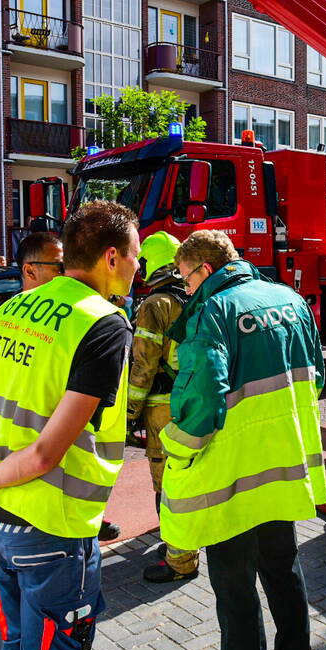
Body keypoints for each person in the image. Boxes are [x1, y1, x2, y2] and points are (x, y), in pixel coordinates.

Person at [0, 200, 139, 650]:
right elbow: (46, 454)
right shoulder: (104, 325)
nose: (138, 265)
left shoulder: (11, 311)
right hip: (54, 528)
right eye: (135, 253)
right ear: (111, 258)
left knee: (16, 645)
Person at [161, 230, 325, 650]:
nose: (187, 289)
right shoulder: (290, 299)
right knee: (284, 572)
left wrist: (176, 452)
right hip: (282, 469)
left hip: (231, 477)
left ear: (206, 269)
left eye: (187, 280)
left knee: (235, 588)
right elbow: (318, 379)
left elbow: (201, 403)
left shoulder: (212, 311)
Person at [15, 231, 122, 543]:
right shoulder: (14, 316)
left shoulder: (78, 315)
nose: (69, 274)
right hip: (43, 497)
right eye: (59, 267)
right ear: (30, 270)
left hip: (31, 489)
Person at [128, 232, 198, 584]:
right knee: (189, 474)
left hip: (163, 407)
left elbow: (142, 365)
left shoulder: (155, 305)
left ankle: (181, 559)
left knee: (167, 482)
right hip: (195, 402)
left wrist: (127, 412)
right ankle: (182, 542)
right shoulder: (195, 294)